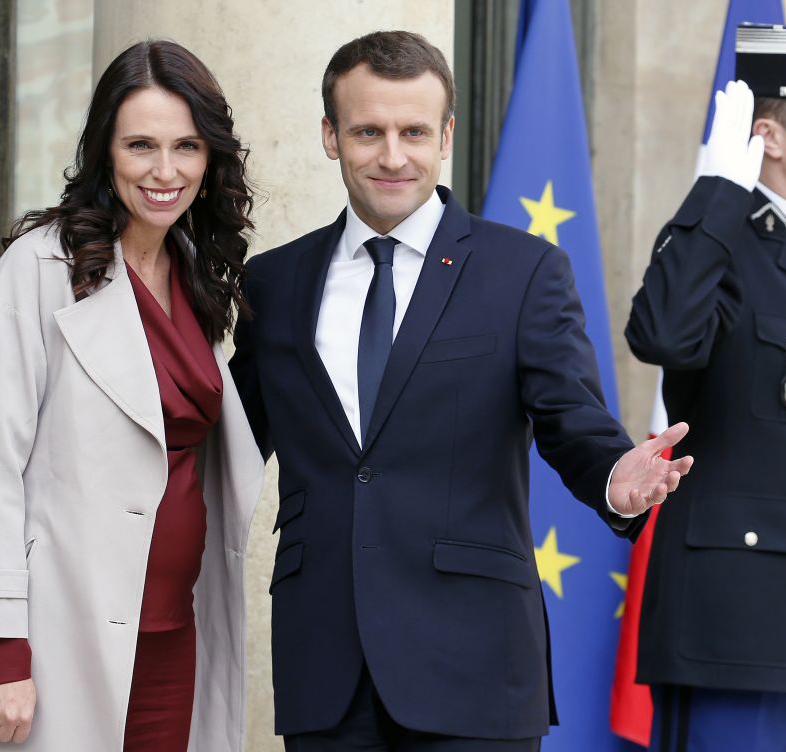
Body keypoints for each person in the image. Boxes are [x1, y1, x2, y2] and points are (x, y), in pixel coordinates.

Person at [229, 30, 694, 751]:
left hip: (475, 667)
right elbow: (226, 443)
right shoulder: (273, 283)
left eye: (414, 131)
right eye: (367, 131)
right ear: (330, 136)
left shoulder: (523, 272)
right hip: (325, 668)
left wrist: (613, 475)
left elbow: (571, 417)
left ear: (446, 135)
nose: (392, 155)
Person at [0, 40, 263, 751]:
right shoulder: (35, 270)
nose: (166, 171)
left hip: (171, 634)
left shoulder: (194, 271)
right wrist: (2, 653)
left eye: (187, 146)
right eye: (141, 146)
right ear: (104, 152)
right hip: (55, 639)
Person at [625, 24, 786, 751]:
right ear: (767, 135)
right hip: (730, 631)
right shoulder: (718, 240)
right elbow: (662, 336)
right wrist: (716, 191)